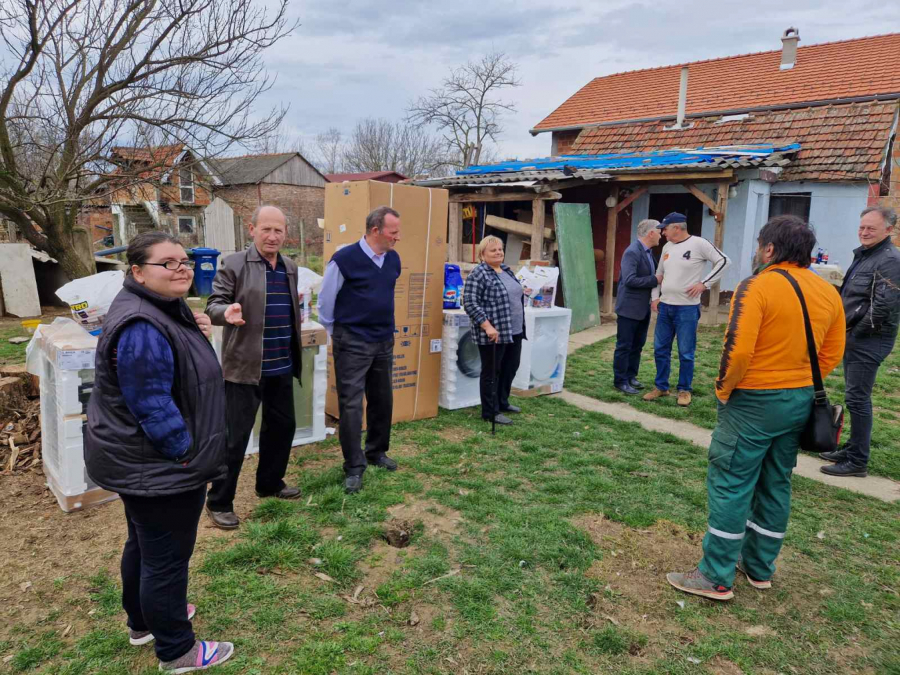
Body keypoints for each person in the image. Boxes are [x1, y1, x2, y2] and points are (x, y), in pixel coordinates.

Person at [667, 215, 845, 601]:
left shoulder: (757, 286)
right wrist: (797, 376)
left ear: (768, 249)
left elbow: (739, 349)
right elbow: (831, 352)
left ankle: (715, 576)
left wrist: (723, 389)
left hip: (753, 399)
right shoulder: (828, 291)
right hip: (800, 398)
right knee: (776, 481)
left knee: (731, 482)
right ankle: (760, 567)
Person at [85, 232, 234, 672]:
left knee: (145, 545)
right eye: (167, 263)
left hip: (142, 464)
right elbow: (151, 402)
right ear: (137, 272)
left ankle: (142, 621)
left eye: (184, 260)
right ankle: (177, 650)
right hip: (160, 464)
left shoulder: (157, 309)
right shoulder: (142, 325)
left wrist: (194, 328)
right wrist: (183, 454)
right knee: (167, 559)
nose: (182, 268)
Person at [205, 205, 304, 530]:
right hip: (244, 369)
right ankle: (219, 501)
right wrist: (226, 313)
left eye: (278, 230)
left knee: (282, 428)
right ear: (252, 229)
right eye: (266, 229)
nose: (273, 236)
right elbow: (213, 303)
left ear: (285, 233)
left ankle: (269, 483)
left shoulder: (289, 267)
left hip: (281, 366)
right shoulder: (233, 264)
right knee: (234, 439)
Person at [317, 206, 402, 494]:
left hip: (383, 340)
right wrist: (336, 334)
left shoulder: (393, 259)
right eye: (393, 232)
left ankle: (376, 452)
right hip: (352, 341)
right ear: (375, 230)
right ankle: (354, 467)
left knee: (382, 400)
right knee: (351, 406)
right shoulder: (344, 260)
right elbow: (326, 302)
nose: (397, 237)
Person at [820, 206, 900, 478]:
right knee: (854, 397)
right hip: (854, 336)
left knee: (858, 399)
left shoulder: (889, 260)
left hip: (868, 339)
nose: (864, 232)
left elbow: (882, 308)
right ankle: (851, 449)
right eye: (862, 227)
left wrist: (854, 333)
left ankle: (857, 461)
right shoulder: (866, 254)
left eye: (871, 229)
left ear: (888, 230)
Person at [643, 212, 731, 407]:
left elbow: (724, 261)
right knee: (660, 349)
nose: (663, 232)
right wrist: (655, 298)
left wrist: (705, 283)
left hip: (687, 309)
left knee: (686, 352)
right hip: (665, 307)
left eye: (665, 228)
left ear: (677, 227)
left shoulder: (699, 244)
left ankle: (684, 390)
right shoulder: (667, 247)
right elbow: (659, 274)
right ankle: (661, 386)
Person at [463, 235, 529, 426]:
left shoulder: (507, 270)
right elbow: (470, 302)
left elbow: (513, 293)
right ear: (482, 255)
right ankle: (490, 412)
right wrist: (487, 326)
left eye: (500, 249)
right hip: (494, 333)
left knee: (510, 367)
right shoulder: (479, 274)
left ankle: (502, 402)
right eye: (493, 250)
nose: (498, 252)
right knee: (492, 372)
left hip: (514, 330)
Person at [613, 219, 661, 394]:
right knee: (624, 346)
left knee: (637, 345)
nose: (661, 235)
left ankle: (631, 376)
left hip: (642, 308)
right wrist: (655, 280)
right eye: (658, 232)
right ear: (650, 233)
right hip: (629, 308)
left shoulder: (649, 253)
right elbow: (629, 279)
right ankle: (620, 381)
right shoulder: (632, 252)